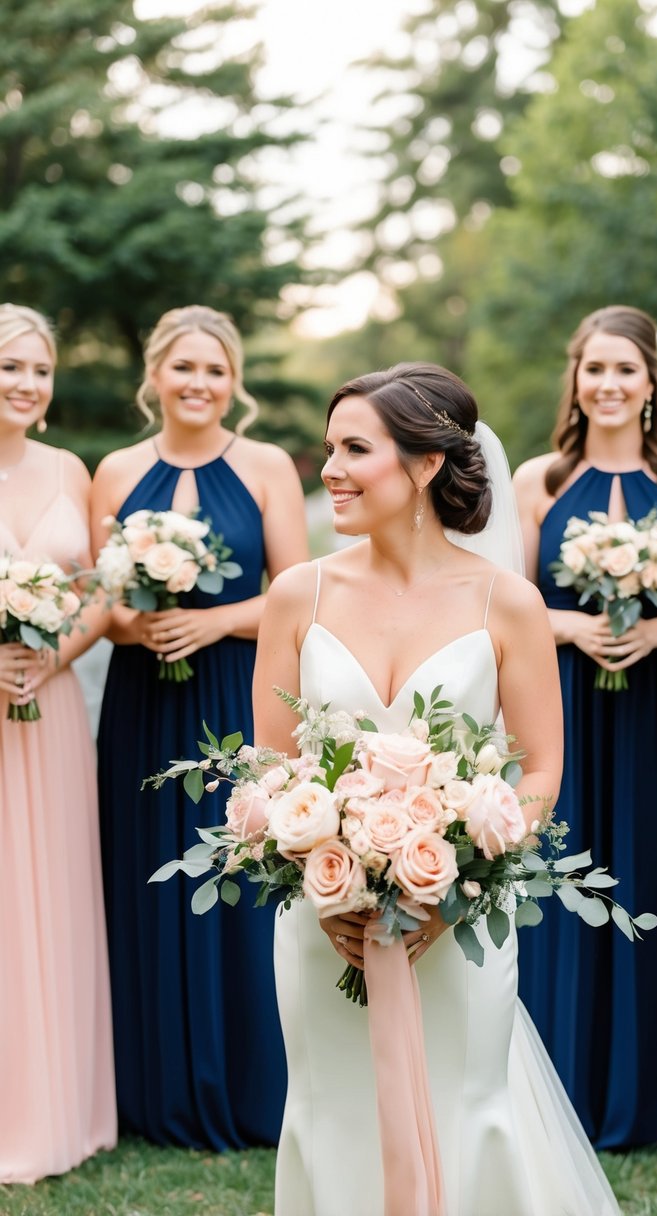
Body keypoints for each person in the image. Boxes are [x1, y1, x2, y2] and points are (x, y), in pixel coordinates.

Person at [252, 362, 621, 1216]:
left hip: (456, 923)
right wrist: (326, 876)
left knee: (467, 1103)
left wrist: (449, 888)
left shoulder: (508, 602)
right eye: (327, 449)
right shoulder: (295, 595)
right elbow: (271, 769)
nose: (331, 470)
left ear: (422, 466)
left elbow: (537, 770)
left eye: (355, 449)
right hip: (322, 920)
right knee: (329, 1108)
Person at [90, 305, 308, 1149]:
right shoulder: (113, 470)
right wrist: (135, 621)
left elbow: (297, 591)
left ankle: (250, 1087)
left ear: (233, 381)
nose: (199, 383)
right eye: (184, 367)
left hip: (230, 691)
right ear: (154, 375)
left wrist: (213, 623)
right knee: (146, 881)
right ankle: (151, 1089)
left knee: (242, 881)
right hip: (144, 698)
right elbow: (102, 603)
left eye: (215, 370)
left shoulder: (263, 468)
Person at [511, 306, 657, 1148]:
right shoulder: (540, 481)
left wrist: (652, 633)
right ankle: (561, 1085)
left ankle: (652, 1089)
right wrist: (569, 629)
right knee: (558, 871)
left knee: (651, 869)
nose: (607, 385)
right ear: (574, 378)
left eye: (623, 370)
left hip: (655, 698)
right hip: (562, 696)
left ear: (648, 382)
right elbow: (512, 602)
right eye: (593, 369)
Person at [0, 304, 116, 1183]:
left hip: (51, 712)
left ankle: (62, 1109)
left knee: (53, 894)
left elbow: (99, 594)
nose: (26, 384)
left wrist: (50, 660)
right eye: (10, 367)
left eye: (38, 370)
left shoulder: (72, 469)